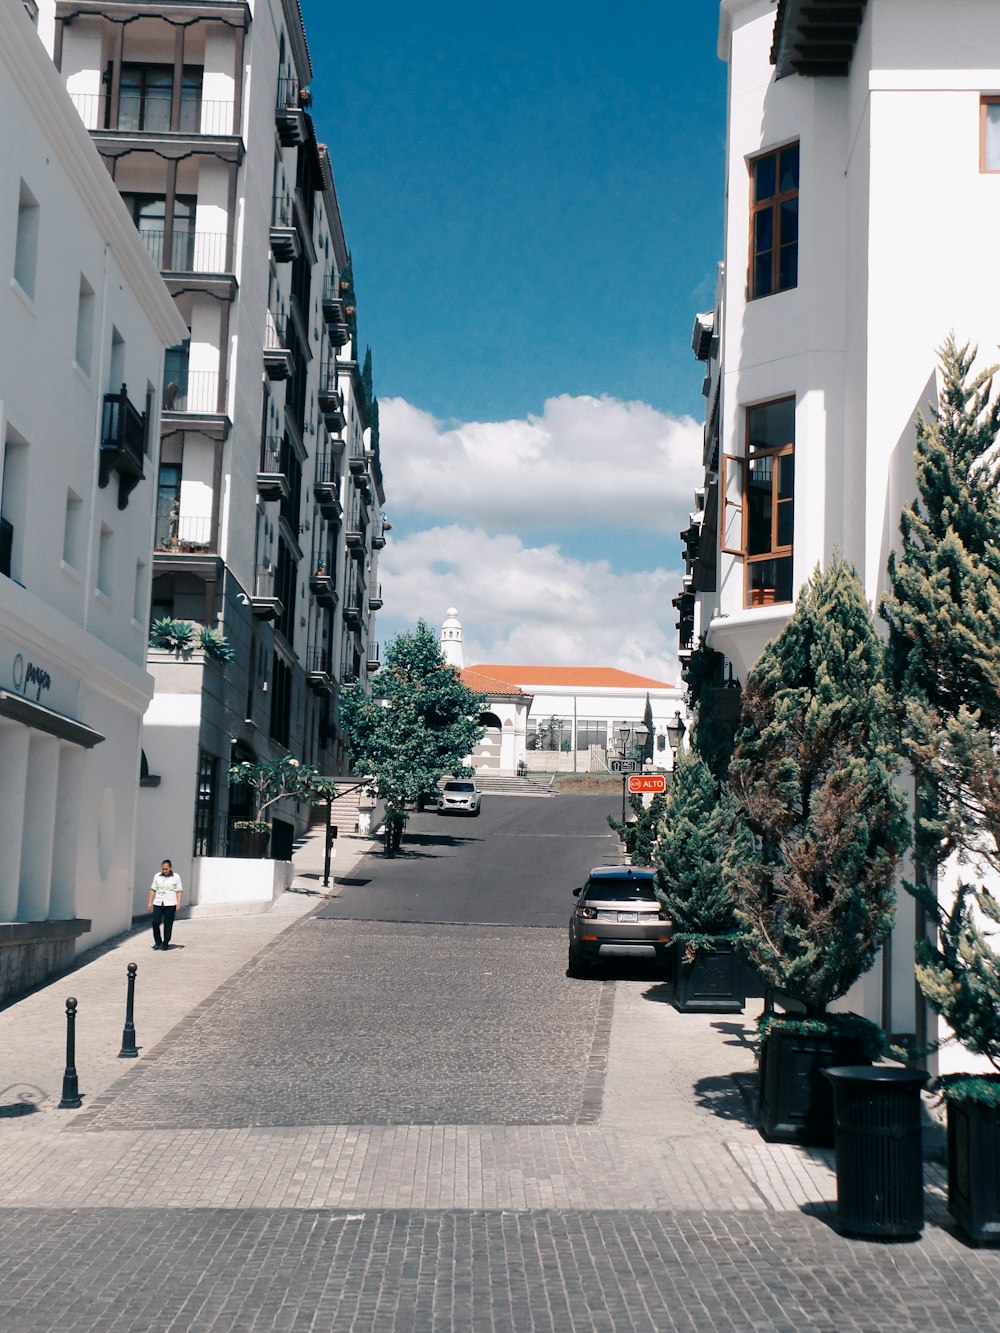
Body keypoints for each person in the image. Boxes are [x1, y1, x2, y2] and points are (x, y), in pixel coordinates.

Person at [148, 859, 183, 951]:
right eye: (163, 869)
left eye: (166, 869)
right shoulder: (157, 876)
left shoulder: (176, 877)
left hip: (170, 903)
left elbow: (179, 891)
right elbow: (152, 890)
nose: (164, 871)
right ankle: (158, 941)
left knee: (168, 924)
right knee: (155, 922)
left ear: (170, 868)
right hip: (158, 902)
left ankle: (165, 943)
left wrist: (178, 902)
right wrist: (149, 902)